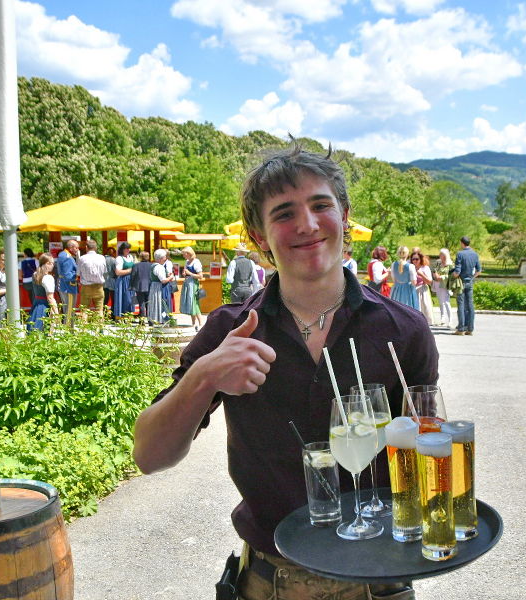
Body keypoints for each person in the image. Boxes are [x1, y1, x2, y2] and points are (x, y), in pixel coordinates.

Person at [132, 145, 438, 600]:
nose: (308, 225)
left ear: (345, 217)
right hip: (269, 583)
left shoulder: (404, 332)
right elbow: (150, 455)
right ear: (259, 237)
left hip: (380, 580)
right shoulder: (229, 329)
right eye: (284, 213)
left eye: (320, 205)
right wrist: (203, 377)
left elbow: (425, 455)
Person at [452, 236, 481, 335]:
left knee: (461, 305)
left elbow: (457, 271)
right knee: (470, 305)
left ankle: (461, 329)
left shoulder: (460, 254)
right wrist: (472, 277)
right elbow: (479, 271)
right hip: (470, 282)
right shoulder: (475, 254)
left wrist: (453, 276)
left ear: (462, 243)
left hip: (461, 281)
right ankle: (470, 329)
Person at [27, 253, 59, 332]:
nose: (52, 265)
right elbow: (50, 298)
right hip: (44, 306)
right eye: (50, 263)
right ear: (45, 263)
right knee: (43, 330)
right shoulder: (48, 278)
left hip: (36, 304)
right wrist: (57, 313)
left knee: (34, 327)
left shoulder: (35, 274)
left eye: (53, 263)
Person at [78, 238, 107, 318]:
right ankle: (100, 328)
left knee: (84, 310)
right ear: (96, 248)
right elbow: (105, 271)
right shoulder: (102, 258)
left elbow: (78, 273)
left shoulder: (82, 258)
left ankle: (84, 328)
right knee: (99, 309)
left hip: (86, 286)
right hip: (99, 286)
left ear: (86, 247)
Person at [179, 246, 204, 331]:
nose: (183, 256)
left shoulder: (196, 262)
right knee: (190, 303)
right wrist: (185, 273)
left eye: (184, 254)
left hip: (193, 284)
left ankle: (201, 323)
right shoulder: (187, 261)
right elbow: (186, 272)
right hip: (187, 283)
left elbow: (200, 276)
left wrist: (189, 273)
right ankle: (193, 323)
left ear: (188, 254)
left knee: (194, 303)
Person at [147, 248, 174, 325]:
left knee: (155, 303)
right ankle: (161, 319)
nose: (165, 258)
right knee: (160, 303)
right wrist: (170, 277)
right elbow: (163, 280)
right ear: (161, 258)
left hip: (154, 286)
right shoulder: (159, 267)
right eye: (164, 257)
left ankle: (154, 318)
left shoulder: (153, 265)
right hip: (159, 287)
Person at [56, 240, 79, 327]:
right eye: (76, 247)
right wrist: (78, 276)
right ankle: (69, 330)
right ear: (71, 247)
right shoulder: (67, 257)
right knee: (69, 309)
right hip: (69, 286)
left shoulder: (62, 254)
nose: (77, 249)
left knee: (67, 308)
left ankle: (68, 328)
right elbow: (68, 275)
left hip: (64, 285)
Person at [412, 249, 434, 324]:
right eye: (413, 259)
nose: (415, 261)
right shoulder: (410, 268)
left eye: (416, 259)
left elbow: (430, 281)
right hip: (412, 290)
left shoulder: (425, 268)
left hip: (422, 290)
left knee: (424, 308)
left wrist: (421, 274)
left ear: (420, 259)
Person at [130, 251, 153, 321]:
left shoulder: (136, 265)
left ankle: (142, 320)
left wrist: (131, 285)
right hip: (150, 286)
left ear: (140, 257)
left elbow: (132, 276)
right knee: (149, 303)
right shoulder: (152, 265)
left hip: (139, 286)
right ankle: (150, 320)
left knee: (141, 304)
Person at [433, 248, 454, 328]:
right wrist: (435, 275)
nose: (439, 255)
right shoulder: (438, 263)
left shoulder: (450, 264)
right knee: (440, 302)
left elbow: (451, 275)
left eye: (441, 254)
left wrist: (441, 277)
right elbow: (434, 271)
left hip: (445, 285)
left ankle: (450, 320)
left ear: (445, 255)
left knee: (446, 302)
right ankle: (442, 319)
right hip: (438, 284)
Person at [113, 242, 134, 318]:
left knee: (130, 299)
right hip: (122, 280)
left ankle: (129, 316)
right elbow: (118, 272)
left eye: (129, 248)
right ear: (122, 249)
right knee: (123, 298)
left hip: (130, 280)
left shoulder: (130, 257)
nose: (128, 250)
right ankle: (120, 317)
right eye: (127, 248)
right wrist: (129, 271)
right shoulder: (119, 258)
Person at [103, 247, 117, 315]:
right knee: (113, 299)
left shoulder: (102, 259)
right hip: (112, 281)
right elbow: (116, 271)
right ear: (113, 253)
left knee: (105, 299)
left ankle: (103, 313)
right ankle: (113, 314)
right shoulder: (114, 260)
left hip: (103, 281)